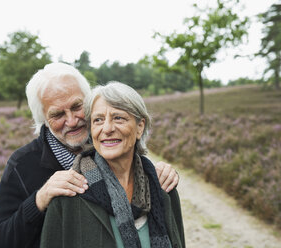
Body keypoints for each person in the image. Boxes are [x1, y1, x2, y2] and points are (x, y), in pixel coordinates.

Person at [0, 63, 180, 248]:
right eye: (58, 115)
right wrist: (39, 200)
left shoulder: (108, 147)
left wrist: (156, 174)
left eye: (77, 107)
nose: (71, 121)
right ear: (43, 120)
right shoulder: (23, 164)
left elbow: (131, 160)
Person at [40, 82, 185, 248]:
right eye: (98, 120)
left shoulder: (162, 186)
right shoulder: (69, 195)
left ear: (140, 127)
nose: (107, 128)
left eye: (118, 118)